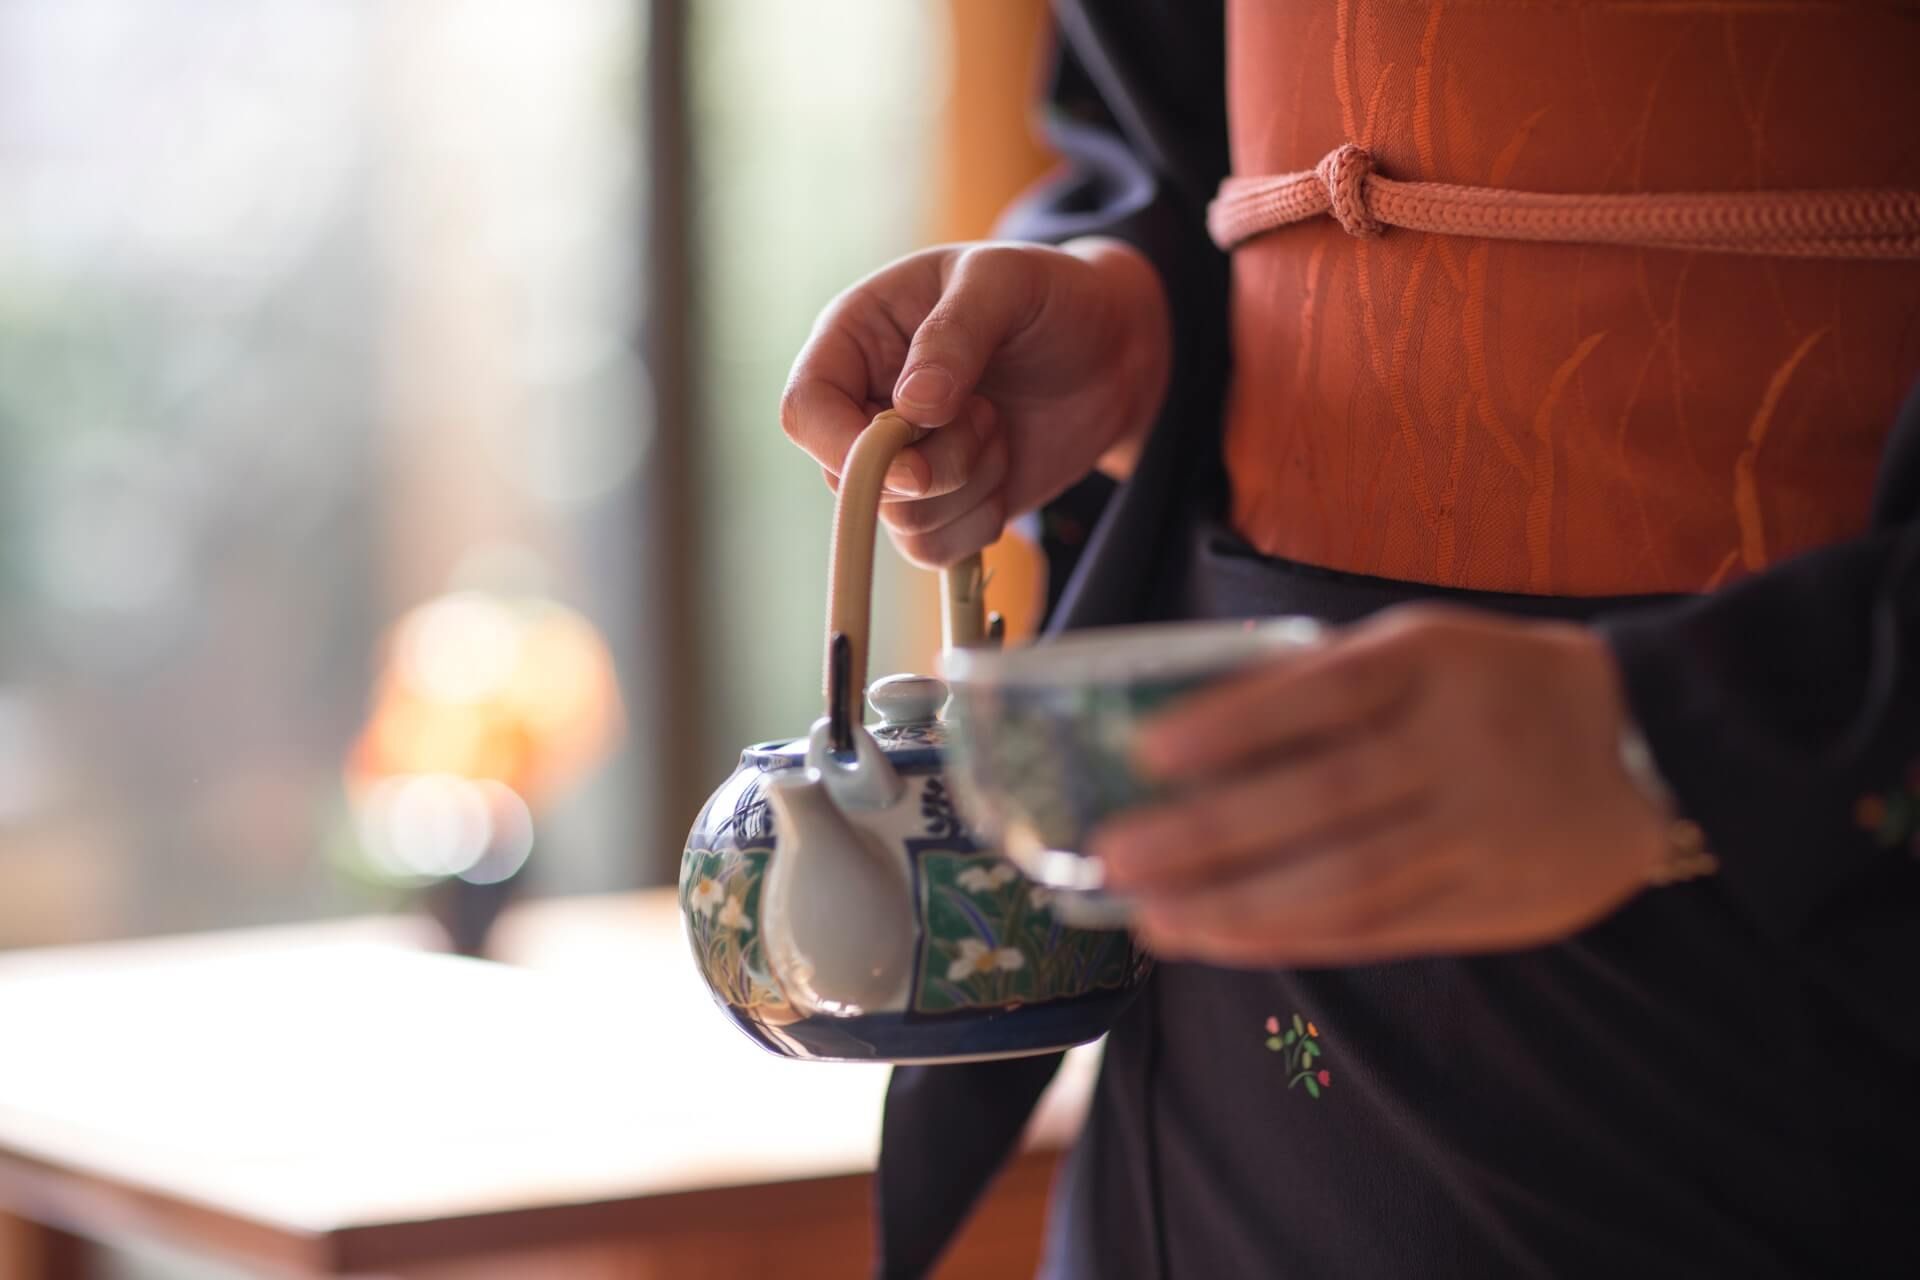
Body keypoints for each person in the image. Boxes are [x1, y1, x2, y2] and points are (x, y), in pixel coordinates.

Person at [780, 4, 1920, 1276]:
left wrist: (1668, 739)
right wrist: (1145, 308)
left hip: (1770, 889)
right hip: (1243, 893)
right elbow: (1165, 120)